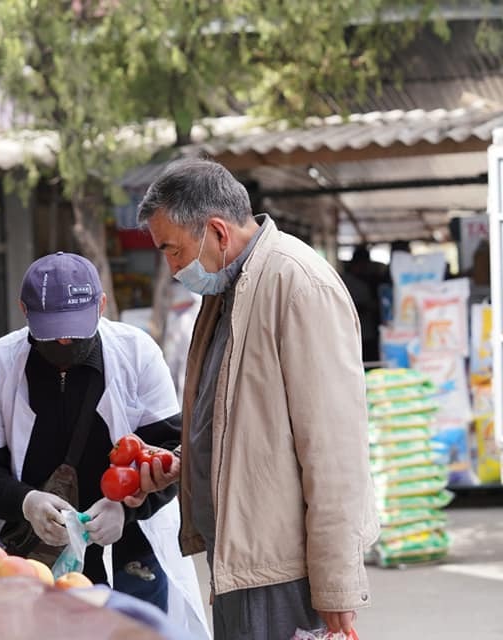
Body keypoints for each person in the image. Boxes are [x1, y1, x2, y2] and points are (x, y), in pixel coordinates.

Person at [132, 159, 378, 639]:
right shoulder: (229, 289)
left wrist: (337, 587)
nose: (173, 267)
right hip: (241, 560)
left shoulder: (296, 284)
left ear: (218, 233)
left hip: (283, 573)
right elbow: (241, 418)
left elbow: (334, 452)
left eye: (173, 250)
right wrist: (187, 461)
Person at [0, 252, 208, 635]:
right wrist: (26, 502)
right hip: (33, 556)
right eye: (52, 331)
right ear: (24, 310)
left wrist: (125, 512)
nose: (63, 340)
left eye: (75, 331)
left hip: (132, 551)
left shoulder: (136, 353)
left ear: (102, 306)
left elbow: (173, 453)